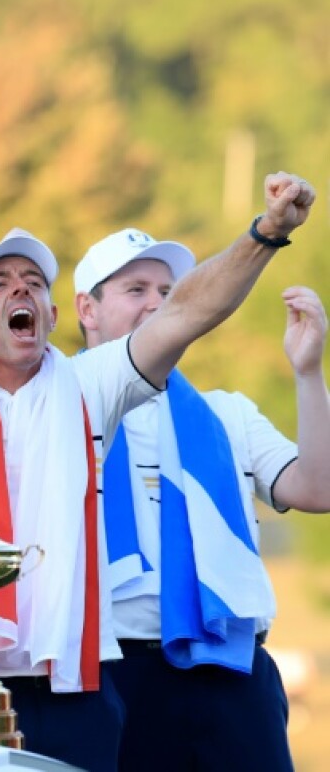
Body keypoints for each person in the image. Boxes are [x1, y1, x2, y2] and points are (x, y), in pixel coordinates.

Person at [0, 171, 315, 770]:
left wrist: (265, 234)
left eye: (32, 282)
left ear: (50, 311)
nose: (19, 289)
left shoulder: (89, 383)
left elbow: (187, 312)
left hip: (75, 692)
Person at [74, 228, 330, 771]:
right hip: (120, 672)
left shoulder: (227, 413)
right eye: (135, 289)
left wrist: (308, 374)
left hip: (232, 671)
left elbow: (317, 488)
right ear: (86, 310)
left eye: (169, 293)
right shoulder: (59, 404)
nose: (157, 305)